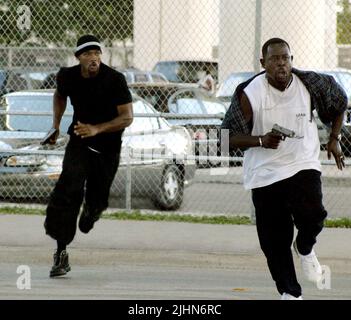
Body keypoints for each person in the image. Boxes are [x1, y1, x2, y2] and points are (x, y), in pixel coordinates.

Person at [221, 38, 347, 300]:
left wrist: (334, 139)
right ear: (262, 63)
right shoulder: (250, 93)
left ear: (291, 59)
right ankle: (290, 293)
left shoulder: (309, 84)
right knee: (274, 240)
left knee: (314, 216)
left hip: (302, 163)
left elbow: (339, 102)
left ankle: (304, 246)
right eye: (274, 59)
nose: (281, 63)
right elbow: (224, 139)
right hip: (265, 172)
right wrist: (260, 141)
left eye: (285, 58)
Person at [43, 35, 133, 277]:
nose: (93, 58)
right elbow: (59, 95)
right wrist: (56, 125)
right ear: (78, 58)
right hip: (79, 142)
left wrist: (96, 128)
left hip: (108, 149)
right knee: (67, 191)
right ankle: (61, 254)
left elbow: (127, 117)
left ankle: (92, 211)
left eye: (96, 53)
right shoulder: (68, 77)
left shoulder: (115, 80)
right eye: (87, 54)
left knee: (96, 198)